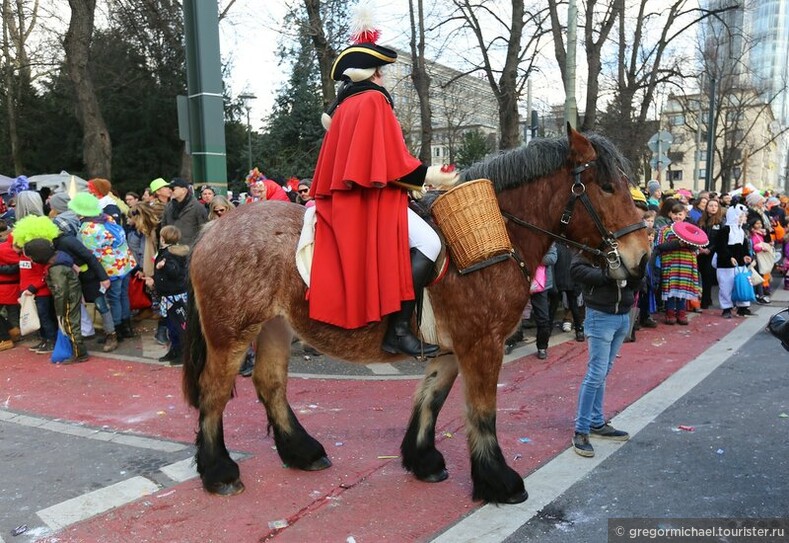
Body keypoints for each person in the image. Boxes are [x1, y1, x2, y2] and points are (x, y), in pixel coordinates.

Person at [308, 19, 458, 357]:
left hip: (347, 204)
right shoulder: (375, 101)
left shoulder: (345, 105)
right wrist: (431, 175)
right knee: (430, 243)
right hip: (371, 203)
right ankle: (399, 329)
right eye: (381, 71)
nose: (383, 77)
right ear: (374, 73)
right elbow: (392, 164)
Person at [570, 252, 638, 457]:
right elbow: (576, 270)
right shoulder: (592, 245)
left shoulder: (625, 244)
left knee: (602, 372)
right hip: (600, 316)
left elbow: (638, 278)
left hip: (622, 315)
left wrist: (635, 275)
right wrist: (609, 274)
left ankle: (596, 422)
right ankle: (582, 429)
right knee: (596, 373)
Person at [70, 193, 137, 342]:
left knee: (113, 298)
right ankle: (127, 327)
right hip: (124, 262)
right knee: (123, 295)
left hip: (110, 268)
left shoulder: (87, 229)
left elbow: (88, 254)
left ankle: (117, 329)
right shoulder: (107, 218)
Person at [23, 238, 89, 363]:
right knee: (71, 323)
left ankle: (80, 353)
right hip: (72, 295)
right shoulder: (59, 259)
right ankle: (77, 350)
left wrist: (59, 311)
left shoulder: (55, 269)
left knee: (70, 325)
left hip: (68, 299)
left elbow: (61, 291)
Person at [145, 225, 189, 364]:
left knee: (177, 326)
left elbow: (175, 272)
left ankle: (181, 353)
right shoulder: (170, 252)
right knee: (171, 326)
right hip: (169, 295)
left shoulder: (169, 254)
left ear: (163, 238)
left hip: (174, 296)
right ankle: (174, 350)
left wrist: (163, 266)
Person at [654, 203, 701, 325]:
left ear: (685, 215)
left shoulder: (691, 229)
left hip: (686, 263)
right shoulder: (664, 229)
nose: (677, 216)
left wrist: (688, 243)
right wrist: (677, 244)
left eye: (680, 214)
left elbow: (696, 246)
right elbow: (659, 246)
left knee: (683, 288)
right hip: (670, 263)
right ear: (670, 214)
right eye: (675, 214)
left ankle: (681, 312)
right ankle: (669, 313)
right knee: (670, 289)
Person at [714, 203, 753, 318]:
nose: (743, 218)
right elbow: (721, 247)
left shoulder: (741, 230)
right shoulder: (725, 230)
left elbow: (743, 245)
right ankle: (726, 308)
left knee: (742, 283)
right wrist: (728, 257)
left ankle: (743, 307)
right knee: (726, 286)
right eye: (741, 216)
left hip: (739, 263)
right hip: (726, 264)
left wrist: (746, 255)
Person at [161, 178, 207, 248]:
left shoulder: (197, 207)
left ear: (184, 190)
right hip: (171, 250)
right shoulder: (168, 207)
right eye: (169, 188)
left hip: (189, 250)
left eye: (173, 188)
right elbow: (164, 228)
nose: (170, 191)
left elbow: (203, 231)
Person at [697, 198, 724, 309]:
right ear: (706, 207)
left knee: (708, 276)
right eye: (711, 205)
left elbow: (720, 239)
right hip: (701, 251)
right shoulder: (701, 220)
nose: (713, 208)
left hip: (713, 253)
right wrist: (700, 247)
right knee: (702, 276)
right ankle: (705, 299)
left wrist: (710, 249)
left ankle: (706, 300)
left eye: (715, 206)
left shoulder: (720, 221)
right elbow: (697, 234)